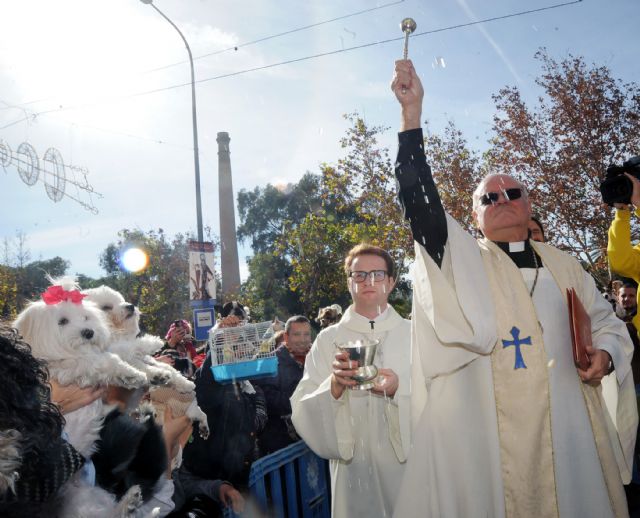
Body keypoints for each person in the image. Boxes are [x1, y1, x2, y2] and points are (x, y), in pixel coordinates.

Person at [390, 58, 637, 517]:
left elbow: (607, 323)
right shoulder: (464, 260)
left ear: (529, 203)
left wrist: (605, 355)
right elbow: (420, 208)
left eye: (513, 193)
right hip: (488, 439)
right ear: (475, 217)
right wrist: (411, 119)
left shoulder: (564, 265)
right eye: (489, 198)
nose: (503, 200)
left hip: (571, 436)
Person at [291, 243, 411, 518]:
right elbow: (302, 405)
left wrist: (398, 390)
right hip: (353, 470)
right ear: (349, 283)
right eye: (359, 275)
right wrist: (333, 387)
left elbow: (439, 396)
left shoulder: (415, 335)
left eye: (378, 274)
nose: (368, 281)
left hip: (407, 467)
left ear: (391, 282)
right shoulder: (327, 340)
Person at [254, 315, 312, 456]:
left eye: (306, 334)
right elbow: (269, 399)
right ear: (286, 337)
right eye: (297, 334)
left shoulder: (316, 358)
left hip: (312, 439)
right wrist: (304, 399)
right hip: (281, 446)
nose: (303, 340)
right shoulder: (270, 362)